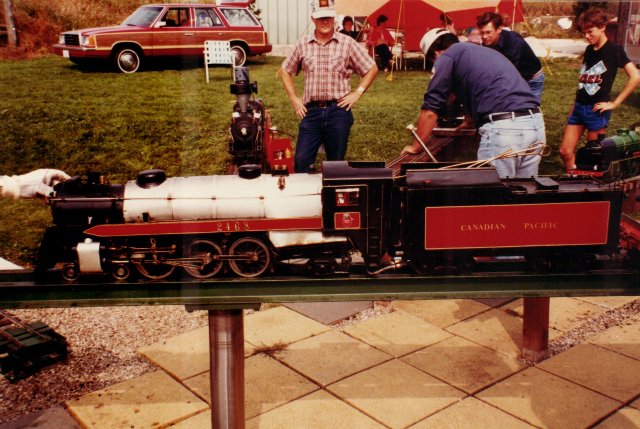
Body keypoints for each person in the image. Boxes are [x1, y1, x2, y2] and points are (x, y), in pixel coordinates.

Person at [401, 28, 546, 178]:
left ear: (436, 53)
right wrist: (470, 121)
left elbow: (430, 110)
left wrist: (416, 147)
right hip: (535, 125)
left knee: (492, 189)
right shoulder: (481, 51)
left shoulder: (447, 56)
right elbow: (478, 87)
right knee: (523, 189)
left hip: (505, 129)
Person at [280, 0, 378, 173]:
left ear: (334, 18)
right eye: (320, 18)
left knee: (335, 165)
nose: (324, 21)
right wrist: (294, 98)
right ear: (313, 19)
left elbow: (371, 68)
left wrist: (358, 92)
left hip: (338, 111)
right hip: (311, 112)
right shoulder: (303, 44)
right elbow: (285, 70)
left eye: (328, 17)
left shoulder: (347, 43)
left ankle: (331, 189)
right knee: (301, 161)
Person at [559, 8, 640, 172]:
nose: (587, 36)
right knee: (565, 151)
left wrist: (615, 103)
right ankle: (573, 178)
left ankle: (587, 183)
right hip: (579, 108)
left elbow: (636, 77)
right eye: (584, 33)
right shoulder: (589, 50)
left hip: (596, 110)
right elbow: (584, 82)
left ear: (602, 27)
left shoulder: (614, 50)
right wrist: (575, 106)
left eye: (590, 32)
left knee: (593, 156)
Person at [476, 12, 544, 103]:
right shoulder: (487, 42)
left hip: (532, 79)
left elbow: (510, 72)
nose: (484, 37)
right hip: (514, 78)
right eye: (482, 33)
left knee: (530, 107)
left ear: (499, 29)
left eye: (488, 32)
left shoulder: (513, 41)